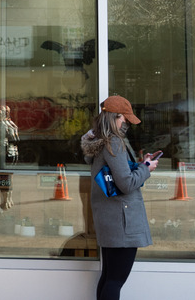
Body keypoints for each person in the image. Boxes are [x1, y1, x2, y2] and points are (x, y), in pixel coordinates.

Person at [80, 96, 158, 300]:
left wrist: (141, 165)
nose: (126, 124)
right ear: (114, 117)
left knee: (108, 277)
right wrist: (147, 168)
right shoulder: (113, 142)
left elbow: (117, 176)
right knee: (115, 280)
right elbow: (126, 184)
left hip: (110, 219)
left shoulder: (99, 143)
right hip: (122, 221)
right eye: (124, 119)